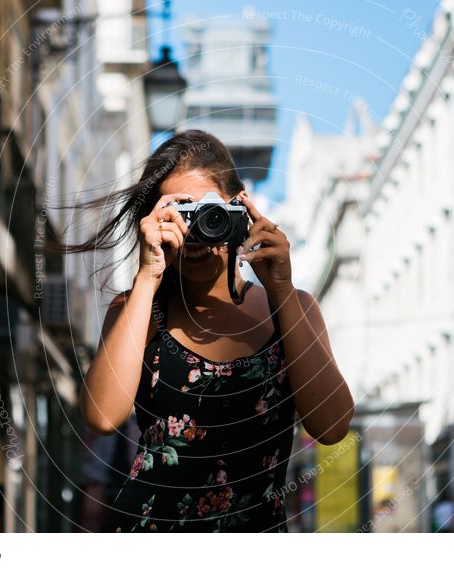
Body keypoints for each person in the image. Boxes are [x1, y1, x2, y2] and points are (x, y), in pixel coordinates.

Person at [54, 130, 354, 532]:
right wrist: (147, 276)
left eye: (206, 211)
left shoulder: (293, 308)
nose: (194, 231)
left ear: (240, 208)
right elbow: (102, 417)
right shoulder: (138, 309)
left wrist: (280, 287)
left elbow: (332, 427)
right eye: (178, 212)